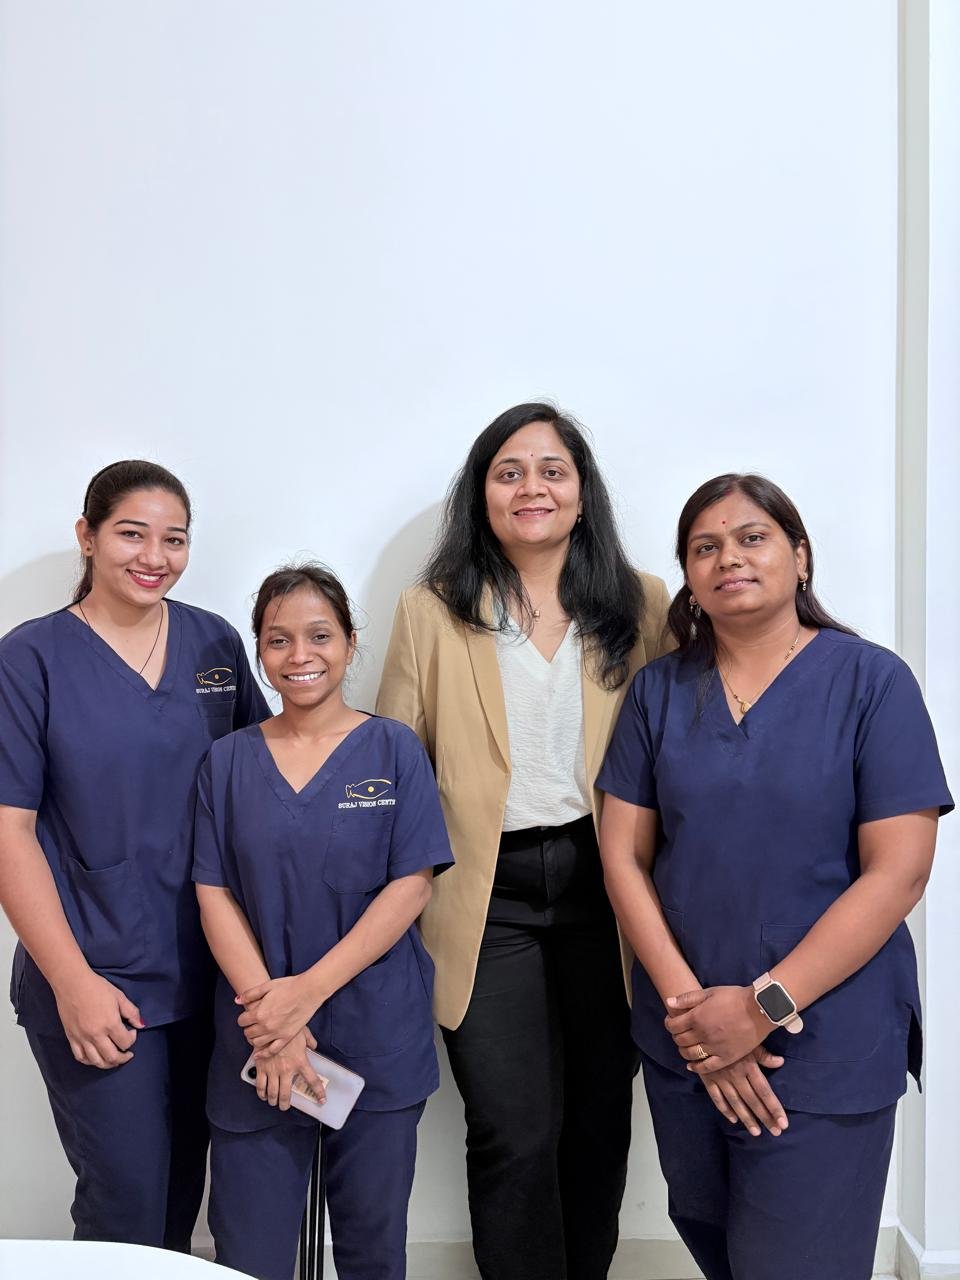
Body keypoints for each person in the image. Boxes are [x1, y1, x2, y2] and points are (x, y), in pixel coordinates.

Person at [597, 472, 953, 1280]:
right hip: (687, 1039)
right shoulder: (659, 691)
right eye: (705, 547)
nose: (730, 558)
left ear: (799, 555)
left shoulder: (872, 683)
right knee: (718, 1246)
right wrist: (697, 1018)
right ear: (687, 574)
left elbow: (898, 873)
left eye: (752, 538)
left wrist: (762, 1008)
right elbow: (622, 854)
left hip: (822, 1044)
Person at [376, 402, 673, 1280]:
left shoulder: (640, 601)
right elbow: (398, 761)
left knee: (597, 1122)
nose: (531, 487)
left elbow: (673, 753)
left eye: (552, 470)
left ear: (583, 495)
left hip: (608, 888)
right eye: (509, 471)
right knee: (512, 1127)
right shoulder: (430, 610)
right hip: (483, 895)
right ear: (482, 494)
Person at [0, 460, 269, 1248]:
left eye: (174, 539)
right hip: (98, 978)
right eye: (130, 533)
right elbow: (8, 830)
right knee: (127, 1206)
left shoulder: (213, 643)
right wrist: (73, 981)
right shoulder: (31, 659)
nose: (154, 555)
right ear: (86, 537)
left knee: (184, 1194)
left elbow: (263, 777)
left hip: (211, 973)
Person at [193, 563, 453, 1280]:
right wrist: (271, 1023)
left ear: (349, 642)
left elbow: (412, 885)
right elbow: (212, 893)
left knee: (373, 1252)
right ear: (259, 651)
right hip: (258, 1043)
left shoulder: (394, 749)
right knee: (250, 1257)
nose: (299, 655)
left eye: (318, 636)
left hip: (375, 1034)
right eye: (278, 640)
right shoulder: (226, 761)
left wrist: (305, 992)